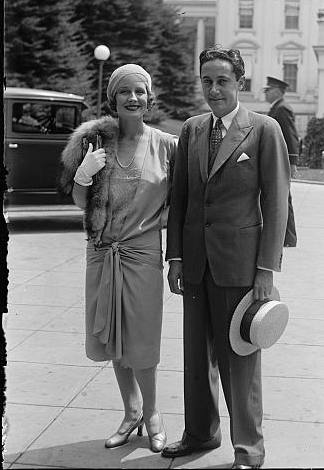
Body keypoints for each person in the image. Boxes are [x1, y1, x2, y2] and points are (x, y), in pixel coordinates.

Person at [162, 47, 290, 469]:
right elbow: (179, 199)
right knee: (196, 357)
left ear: (240, 82)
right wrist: (175, 258)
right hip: (196, 265)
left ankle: (248, 449)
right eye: (206, 81)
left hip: (240, 266)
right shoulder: (193, 129)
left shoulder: (264, 129)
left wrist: (266, 269)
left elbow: (276, 204)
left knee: (240, 359)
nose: (213, 89)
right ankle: (200, 434)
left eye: (222, 80)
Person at [59, 64, 177, 453]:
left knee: (141, 339)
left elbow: (183, 204)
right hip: (101, 251)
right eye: (124, 91)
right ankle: (131, 412)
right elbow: (80, 202)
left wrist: (170, 244)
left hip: (141, 253)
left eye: (140, 91)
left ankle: (154, 414)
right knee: (111, 335)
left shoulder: (167, 145)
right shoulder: (94, 140)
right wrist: (82, 175)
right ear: (113, 98)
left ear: (149, 97)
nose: (133, 98)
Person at [263, 76, 301, 248]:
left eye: (267, 90)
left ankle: (288, 237)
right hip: (277, 159)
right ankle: (286, 237)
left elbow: (290, 135)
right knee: (281, 197)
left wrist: (292, 161)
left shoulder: (282, 109)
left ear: (277, 90)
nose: (265, 93)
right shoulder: (277, 108)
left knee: (283, 198)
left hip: (281, 160)